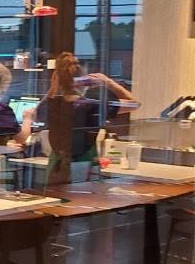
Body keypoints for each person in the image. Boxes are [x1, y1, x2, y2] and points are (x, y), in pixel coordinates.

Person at [14, 52, 138, 184]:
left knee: (57, 196)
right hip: (82, 165)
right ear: (83, 80)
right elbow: (134, 104)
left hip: (56, 165)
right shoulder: (91, 105)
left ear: (56, 78)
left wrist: (56, 84)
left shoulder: (51, 104)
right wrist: (108, 82)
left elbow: (34, 113)